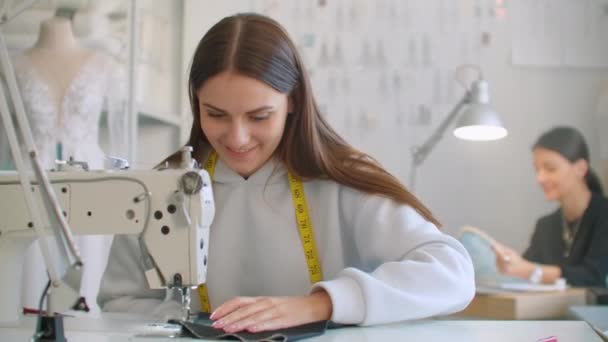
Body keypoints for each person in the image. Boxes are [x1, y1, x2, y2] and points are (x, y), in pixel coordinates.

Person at [98, 13, 475, 332]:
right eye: (216, 114)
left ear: (293, 99)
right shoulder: (160, 190)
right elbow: (118, 301)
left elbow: (452, 273)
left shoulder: (342, 181)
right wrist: (187, 322)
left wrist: (323, 304)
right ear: (196, 102)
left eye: (259, 116)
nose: (237, 137)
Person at [9, 16, 126, 312]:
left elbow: (119, 138)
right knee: (32, 265)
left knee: (86, 274)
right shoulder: (12, 65)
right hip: (33, 175)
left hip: (88, 176)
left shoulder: (104, 65)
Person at [494, 126, 608, 287]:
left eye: (550, 168)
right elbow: (524, 271)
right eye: (537, 170)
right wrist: (510, 264)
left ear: (581, 168)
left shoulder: (603, 215)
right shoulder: (546, 226)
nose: (540, 178)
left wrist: (530, 271)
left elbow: (595, 275)